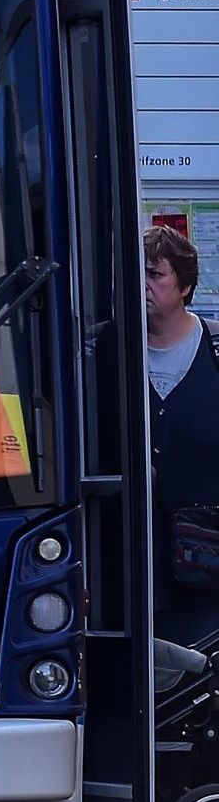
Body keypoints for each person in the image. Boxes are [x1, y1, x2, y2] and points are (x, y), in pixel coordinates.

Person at [146, 225, 219, 650]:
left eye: (155, 275)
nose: (144, 285)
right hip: (134, 562)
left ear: (185, 285)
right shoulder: (105, 351)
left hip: (205, 568)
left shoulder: (213, 348)